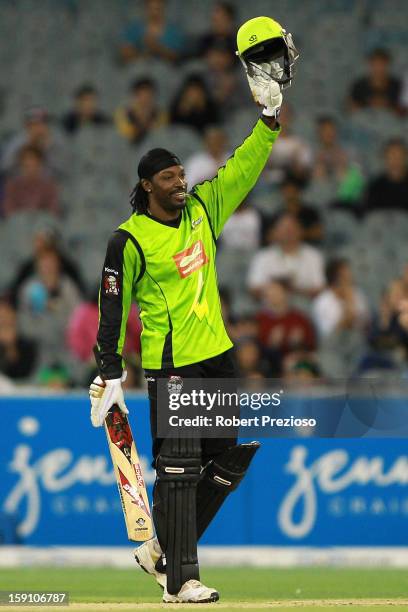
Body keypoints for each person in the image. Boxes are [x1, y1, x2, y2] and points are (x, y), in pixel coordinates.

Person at [89, 33, 283, 603]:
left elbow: (243, 166)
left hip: (216, 355)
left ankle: (160, 551)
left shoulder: (203, 209)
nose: (181, 182)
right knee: (175, 469)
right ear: (148, 186)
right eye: (170, 178)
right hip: (171, 363)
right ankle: (182, 581)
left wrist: (269, 118)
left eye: (181, 174)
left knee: (230, 455)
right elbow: (112, 302)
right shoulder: (128, 238)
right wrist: (109, 369)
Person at [247, 213, 325, 300]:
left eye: (292, 229)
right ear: (275, 232)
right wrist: (277, 288)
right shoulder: (262, 256)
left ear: (301, 231)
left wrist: (294, 289)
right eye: (284, 229)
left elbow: (320, 288)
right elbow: (254, 289)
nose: (288, 233)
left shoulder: (314, 255)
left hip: (304, 305)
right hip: (271, 304)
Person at [1, 107, 67, 178]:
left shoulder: (56, 142)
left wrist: (48, 149)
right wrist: (24, 149)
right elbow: (4, 167)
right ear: (27, 126)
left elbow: (64, 171)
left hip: (49, 184)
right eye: (36, 124)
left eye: (43, 123)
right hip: (20, 184)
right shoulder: (17, 142)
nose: (39, 128)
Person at [119, 0, 186, 65]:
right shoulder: (134, 29)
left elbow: (177, 58)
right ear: (145, 8)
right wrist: (140, 55)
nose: (154, 12)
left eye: (157, 8)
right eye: (150, 8)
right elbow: (125, 53)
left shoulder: (174, 32)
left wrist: (157, 48)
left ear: (164, 8)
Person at [2, 146, 59, 218]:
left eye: (33, 164)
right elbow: (8, 209)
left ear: (40, 164)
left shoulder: (49, 186)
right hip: (17, 223)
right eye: (26, 165)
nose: (30, 168)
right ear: (21, 165)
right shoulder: (12, 186)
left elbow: (53, 210)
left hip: (42, 224)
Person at [349, 48, 402, 115]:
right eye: (375, 64)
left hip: (389, 121)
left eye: (382, 65)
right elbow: (352, 109)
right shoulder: (359, 85)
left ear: (387, 65)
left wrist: (386, 107)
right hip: (365, 120)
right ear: (370, 64)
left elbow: (402, 111)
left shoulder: (396, 85)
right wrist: (370, 107)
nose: (378, 69)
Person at [115, 78, 167, 145]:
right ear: (135, 96)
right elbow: (124, 136)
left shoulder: (161, 114)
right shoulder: (123, 113)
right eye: (141, 95)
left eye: (148, 96)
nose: (145, 100)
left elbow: (161, 136)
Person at [364, 138, 408, 214]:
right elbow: (369, 216)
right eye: (391, 155)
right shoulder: (376, 187)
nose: (395, 160)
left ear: (405, 157)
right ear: (385, 158)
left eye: (399, 155)